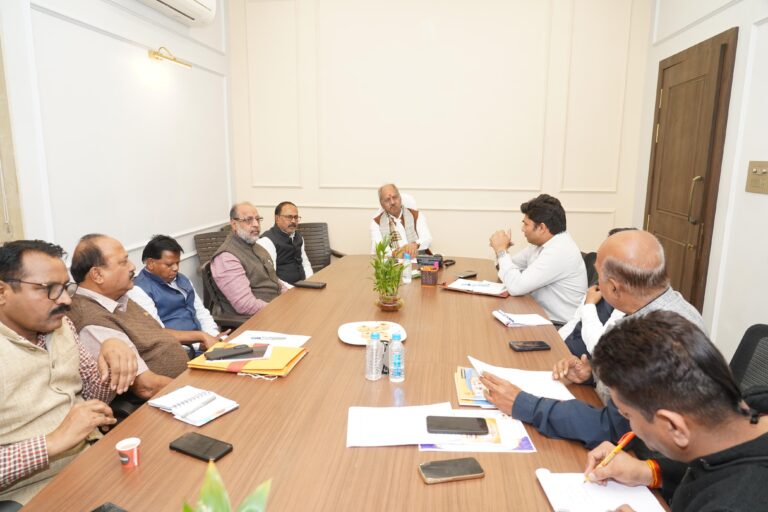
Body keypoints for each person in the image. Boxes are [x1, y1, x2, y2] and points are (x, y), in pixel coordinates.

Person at [480, 229, 705, 448]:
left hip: (641, 456)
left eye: (599, 277)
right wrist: (594, 373)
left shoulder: (650, 335)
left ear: (614, 288)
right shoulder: (675, 308)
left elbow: (611, 428)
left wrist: (524, 405)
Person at [584, 311, 768, 511]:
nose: (629, 424)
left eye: (628, 415)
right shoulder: (752, 405)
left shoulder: (733, 503)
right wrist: (647, 471)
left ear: (674, 426)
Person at [0, 240, 137, 505]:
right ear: (2, 292)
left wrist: (111, 353)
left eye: (65, 287)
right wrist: (51, 443)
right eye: (49, 289)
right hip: (35, 495)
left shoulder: (61, 326)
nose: (65, 300)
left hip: (95, 461)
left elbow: (94, 395)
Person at [68, 234, 190, 398]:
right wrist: (196, 390)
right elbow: (146, 386)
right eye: (123, 262)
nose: (132, 266)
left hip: (184, 380)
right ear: (97, 275)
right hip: (167, 399)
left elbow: (156, 334)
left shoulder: (117, 296)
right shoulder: (91, 320)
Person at [489, 194, 586, 325]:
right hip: (538, 314)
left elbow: (516, 287)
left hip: (557, 326)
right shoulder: (543, 243)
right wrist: (501, 252)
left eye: (526, 224)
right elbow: (508, 269)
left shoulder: (559, 250)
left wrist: (502, 251)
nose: (522, 229)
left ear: (541, 228)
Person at [128, 234, 222, 349]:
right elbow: (158, 333)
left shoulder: (182, 279)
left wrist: (213, 335)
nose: (175, 268)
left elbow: (200, 312)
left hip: (204, 342)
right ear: (151, 263)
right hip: (181, 350)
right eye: (169, 264)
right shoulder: (138, 290)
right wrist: (200, 343)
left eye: (177, 263)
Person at [557, 228, 637, 358]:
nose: (599, 262)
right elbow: (574, 321)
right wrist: (556, 343)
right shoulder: (598, 285)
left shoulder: (627, 302)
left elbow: (598, 347)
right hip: (564, 352)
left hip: (583, 363)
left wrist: (589, 305)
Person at [210, 202, 286, 315]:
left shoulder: (254, 245)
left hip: (276, 307)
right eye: (248, 220)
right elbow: (246, 305)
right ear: (234, 224)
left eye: (258, 219)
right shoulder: (227, 258)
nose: (256, 224)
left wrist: (289, 296)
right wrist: (280, 309)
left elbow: (274, 279)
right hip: (260, 317)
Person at [256, 202, 313, 285]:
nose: (293, 221)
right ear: (277, 219)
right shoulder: (267, 241)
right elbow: (271, 276)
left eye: (296, 217)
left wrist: (310, 282)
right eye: (289, 217)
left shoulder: (298, 237)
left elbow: (305, 263)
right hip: (283, 289)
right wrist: (292, 289)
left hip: (303, 285)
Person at [370, 184, 432, 258]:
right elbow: (378, 248)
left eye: (395, 197)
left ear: (400, 198)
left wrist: (415, 244)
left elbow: (427, 238)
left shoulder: (417, 215)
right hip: (392, 263)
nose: (392, 202)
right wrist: (398, 252)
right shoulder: (376, 223)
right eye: (387, 200)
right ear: (382, 204)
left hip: (417, 261)